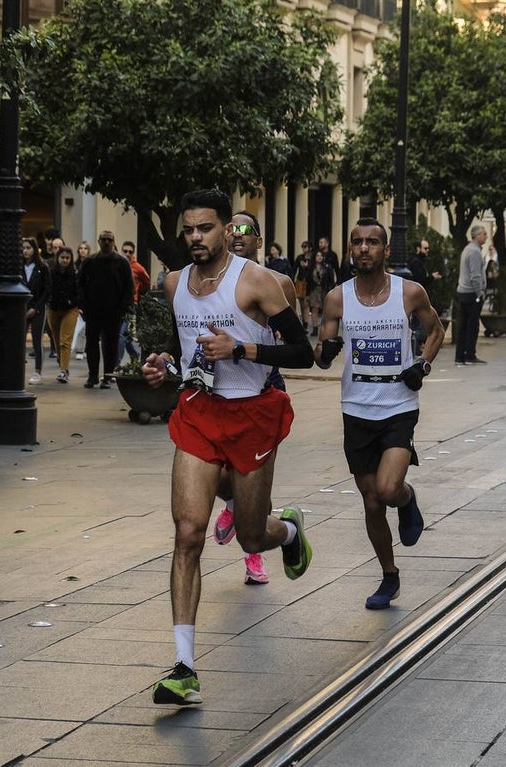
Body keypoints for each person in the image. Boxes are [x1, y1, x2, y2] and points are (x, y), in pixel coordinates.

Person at [141, 189, 314, 706]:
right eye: (189, 229)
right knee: (187, 533)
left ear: (226, 229)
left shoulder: (256, 281)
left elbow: (303, 353)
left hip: (252, 414)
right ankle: (184, 668)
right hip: (199, 411)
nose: (196, 237)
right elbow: (185, 354)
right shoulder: (174, 283)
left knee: (251, 536)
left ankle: (287, 531)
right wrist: (163, 366)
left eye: (206, 228)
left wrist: (240, 348)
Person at [315, 217, 443, 610]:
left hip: (399, 406)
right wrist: (326, 351)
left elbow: (437, 330)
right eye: (357, 242)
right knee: (371, 503)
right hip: (356, 409)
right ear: (350, 249)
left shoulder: (410, 292)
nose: (364, 248)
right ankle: (389, 575)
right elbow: (322, 356)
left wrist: (421, 365)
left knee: (388, 490)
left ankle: (406, 499)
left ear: (386, 250)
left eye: (372, 242)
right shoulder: (337, 298)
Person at [212, 211, 302, 586]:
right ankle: (236, 503)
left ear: (259, 240)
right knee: (214, 474)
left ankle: (254, 555)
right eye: (230, 229)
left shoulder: (279, 283)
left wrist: (247, 350)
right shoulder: (209, 281)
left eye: (245, 229)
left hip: (264, 387)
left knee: (253, 478)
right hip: (218, 387)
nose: (236, 235)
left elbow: (294, 344)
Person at [78, 230, 134, 389]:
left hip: (114, 311)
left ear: (114, 242)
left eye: (109, 239)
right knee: (91, 344)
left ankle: (108, 377)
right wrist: (83, 306)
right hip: (93, 310)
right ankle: (92, 376)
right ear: (99, 241)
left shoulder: (122, 262)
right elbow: (80, 284)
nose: (107, 242)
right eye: (104, 239)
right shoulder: (89, 261)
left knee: (111, 345)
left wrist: (124, 308)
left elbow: (129, 287)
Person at [46, 246, 80, 383]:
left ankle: (64, 370)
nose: (65, 260)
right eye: (62, 257)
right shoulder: (51, 273)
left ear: (71, 259)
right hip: (53, 308)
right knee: (56, 340)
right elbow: (46, 288)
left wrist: (74, 302)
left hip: (70, 309)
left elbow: (79, 292)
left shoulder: (75, 274)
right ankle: (62, 363)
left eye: (67, 258)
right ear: (57, 258)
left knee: (65, 341)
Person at [455, 225, 488, 364]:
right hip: (471, 293)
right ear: (476, 235)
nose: (486, 236)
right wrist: (479, 293)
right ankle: (469, 355)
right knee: (472, 326)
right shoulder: (474, 251)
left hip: (463, 291)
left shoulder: (468, 249)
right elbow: (475, 275)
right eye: (484, 234)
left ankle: (460, 356)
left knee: (463, 325)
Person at [21, 237, 51, 384]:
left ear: (34, 249)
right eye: (23, 248)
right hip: (22, 307)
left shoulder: (42, 267)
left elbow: (47, 290)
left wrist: (36, 307)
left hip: (38, 307)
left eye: (28, 248)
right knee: (19, 338)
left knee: (36, 339)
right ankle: (18, 367)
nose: (25, 251)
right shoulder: (18, 267)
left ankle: (38, 371)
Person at [118, 240, 152, 366]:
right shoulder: (118, 264)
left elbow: (147, 281)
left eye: (130, 252)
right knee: (126, 336)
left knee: (121, 335)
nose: (127, 254)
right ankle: (134, 354)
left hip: (131, 304)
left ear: (133, 253)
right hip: (117, 304)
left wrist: (138, 292)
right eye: (125, 251)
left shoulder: (138, 268)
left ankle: (116, 364)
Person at [307, 249, 336, 336]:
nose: (319, 257)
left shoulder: (327, 267)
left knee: (325, 310)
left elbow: (331, 280)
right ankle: (315, 328)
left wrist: (332, 290)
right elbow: (308, 280)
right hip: (314, 290)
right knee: (314, 309)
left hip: (324, 290)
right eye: (317, 256)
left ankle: (325, 327)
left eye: (321, 256)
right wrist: (307, 294)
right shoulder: (311, 267)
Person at [293, 241, 313, 329]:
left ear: (310, 248)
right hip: (301, 282)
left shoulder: (313, 258)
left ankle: (306, 323)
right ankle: (304, 323)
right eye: (303, 246)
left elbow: (313, 269)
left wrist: (306, 266)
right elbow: (294, 269)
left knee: (306, 303)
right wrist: (293, 281)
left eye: (305, 246)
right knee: (301, 303)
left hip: (310, 283)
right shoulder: (299, 258)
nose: (304, 248)